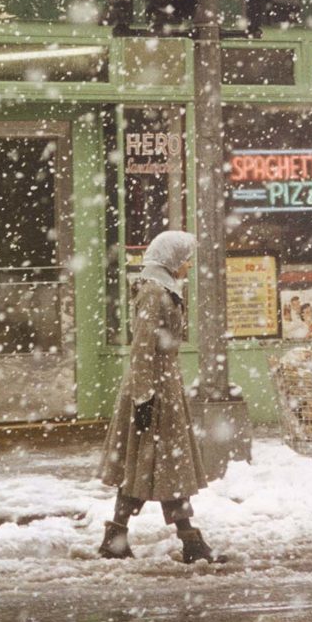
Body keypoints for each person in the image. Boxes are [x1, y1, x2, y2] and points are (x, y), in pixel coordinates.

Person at [97, 230, 226, 564]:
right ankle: (188, 541)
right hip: (154, 390)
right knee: (162, 465)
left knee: (153, 466)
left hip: (163, 388)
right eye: (186, 259)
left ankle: (119, 538)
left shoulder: (163, 289)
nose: (189, 266)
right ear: (171, 260)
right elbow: (142, 349)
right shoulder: (154, 293)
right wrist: (143, 398)